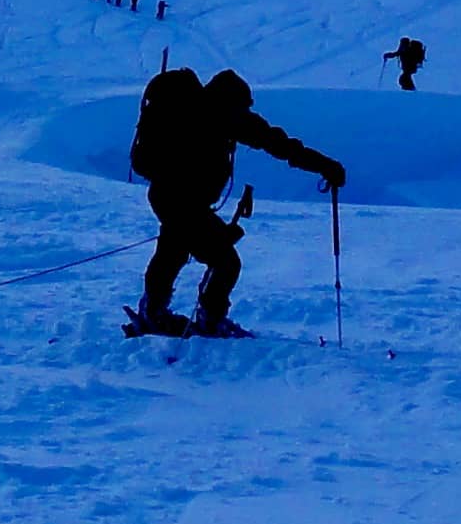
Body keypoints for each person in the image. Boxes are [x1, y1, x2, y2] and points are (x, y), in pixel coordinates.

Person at [128, 68, 343, 337]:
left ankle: (153, 310)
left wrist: (324, 165)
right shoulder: (217, 117)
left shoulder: (208, 113)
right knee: (225, 262)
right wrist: (326, 166)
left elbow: (277, 143)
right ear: (230, 101)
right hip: (182, 202)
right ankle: (208, 318)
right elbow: (279, 144)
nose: (245, 113)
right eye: (242, 107)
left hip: (172, 199)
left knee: (173, 251)